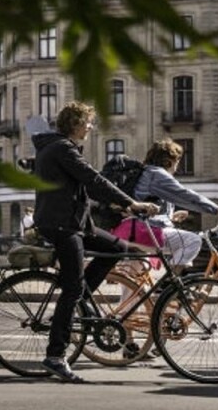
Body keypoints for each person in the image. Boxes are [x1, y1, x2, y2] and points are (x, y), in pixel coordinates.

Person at [32, 102, 158, 383]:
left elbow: (88, 187)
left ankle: (78, 302)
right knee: (72, 285)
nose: (90, 127)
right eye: (88, 122)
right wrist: (132, 203)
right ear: (76, 124)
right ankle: (55, 356)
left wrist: (119, 207)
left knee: (117, 248)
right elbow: (93, 179)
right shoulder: (62, 148)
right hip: (61, 226)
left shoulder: (59, 147)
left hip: (75, 223)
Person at [127, 139, 218, 271]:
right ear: (168, 161)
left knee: (135, 283)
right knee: (193, 241)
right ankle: (172, 286)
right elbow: (185, 195)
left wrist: (170, 218)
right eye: (177, 161)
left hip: (131, 229)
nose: (177, 167)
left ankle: (145, 291)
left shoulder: (146, 173)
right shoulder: (157, 174)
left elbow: (148, 206)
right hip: (142, 230)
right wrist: (217, 209)